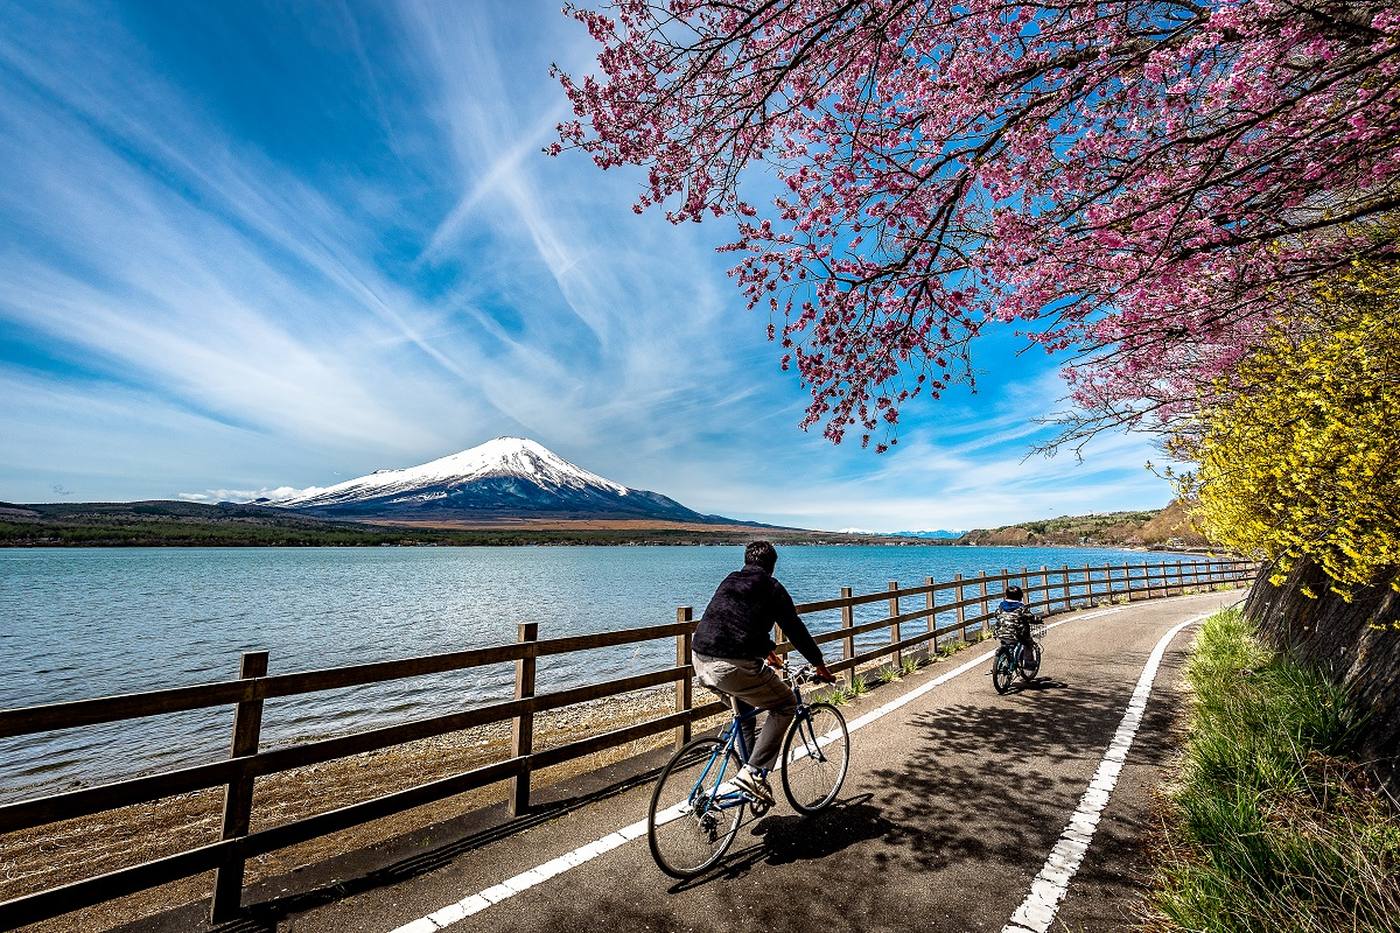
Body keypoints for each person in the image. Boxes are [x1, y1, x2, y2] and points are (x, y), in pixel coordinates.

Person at [691, 540, 835, 805]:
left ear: (746, 560)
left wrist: (768, 651)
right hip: (731, 666)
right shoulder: (772, 587)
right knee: (785, 705)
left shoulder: (731, 580)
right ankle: (754, 774)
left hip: (699, 660)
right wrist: (819, 664)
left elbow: (734, 623)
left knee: (745, 715)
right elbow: (795, 628)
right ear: (772, 566)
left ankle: (747, 782)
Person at [997, 585, 1040, 663]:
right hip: (1016, 634)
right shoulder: (1021, 608)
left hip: (1000, 632)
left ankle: (1002, 662)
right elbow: (1030, 617)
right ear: (1020, 597)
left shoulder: (1001, 606)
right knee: (1028, 643)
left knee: (1005, 643)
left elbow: (996, 615)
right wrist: (1038, 620)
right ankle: (1028, 662)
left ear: (1006, 596)